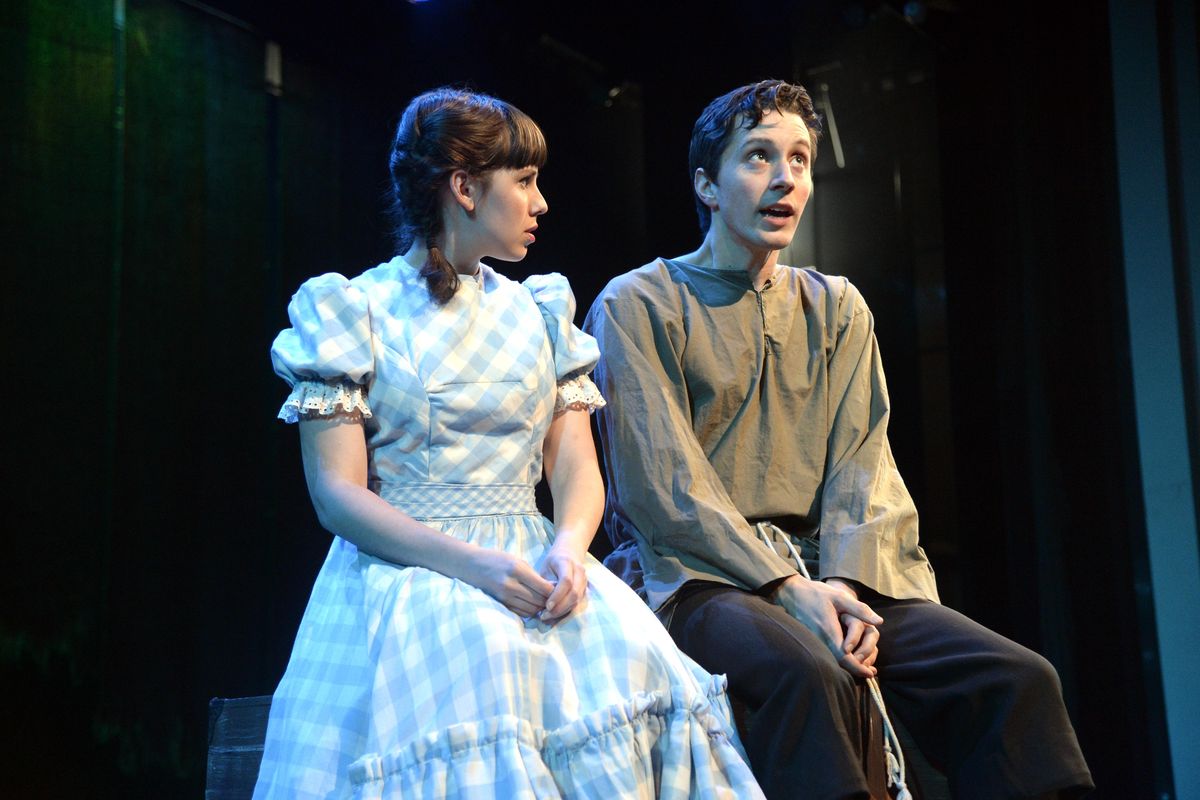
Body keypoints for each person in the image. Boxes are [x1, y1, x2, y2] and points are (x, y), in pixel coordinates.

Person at [584, 79, 1094, 800]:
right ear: (706, 182)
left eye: (799, 159)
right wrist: (787, 589)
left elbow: (862, 462)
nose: (785, 177)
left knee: (1014, 679)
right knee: (811, 672)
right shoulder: (638, 303)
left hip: (834, 570)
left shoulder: (836, 306)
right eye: (759, 157)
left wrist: (841, 586)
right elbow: (664, 485)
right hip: (700, 576)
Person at [253, 87, 763, 799]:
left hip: (536, 561)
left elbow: (577, 467)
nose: (540, 202)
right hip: (408, 572)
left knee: (638, 666)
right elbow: (336, 494)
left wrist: (568, 547)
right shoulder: (354, 309)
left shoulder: (539, 310)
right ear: (464, 187)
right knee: (479, 675)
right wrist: (473, 567)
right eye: (523, 182)